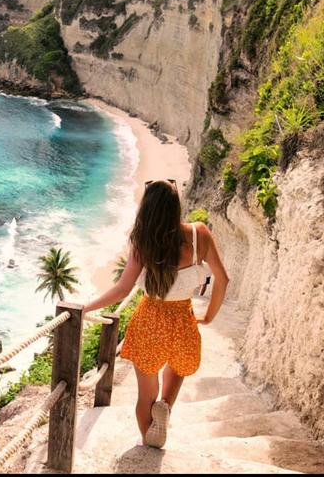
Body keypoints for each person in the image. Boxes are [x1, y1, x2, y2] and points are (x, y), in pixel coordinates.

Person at [82, 179, 229, 448]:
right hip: (182, 317)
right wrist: (209, 315)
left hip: (150, 319)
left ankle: (149, 442)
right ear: (175, 206)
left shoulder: (143, 243)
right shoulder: (199, 235)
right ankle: (165, 408)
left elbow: (122, 289)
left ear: (147, 209)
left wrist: (85, 308)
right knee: (176, 371)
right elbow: (223, 279)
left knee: (144, 396)